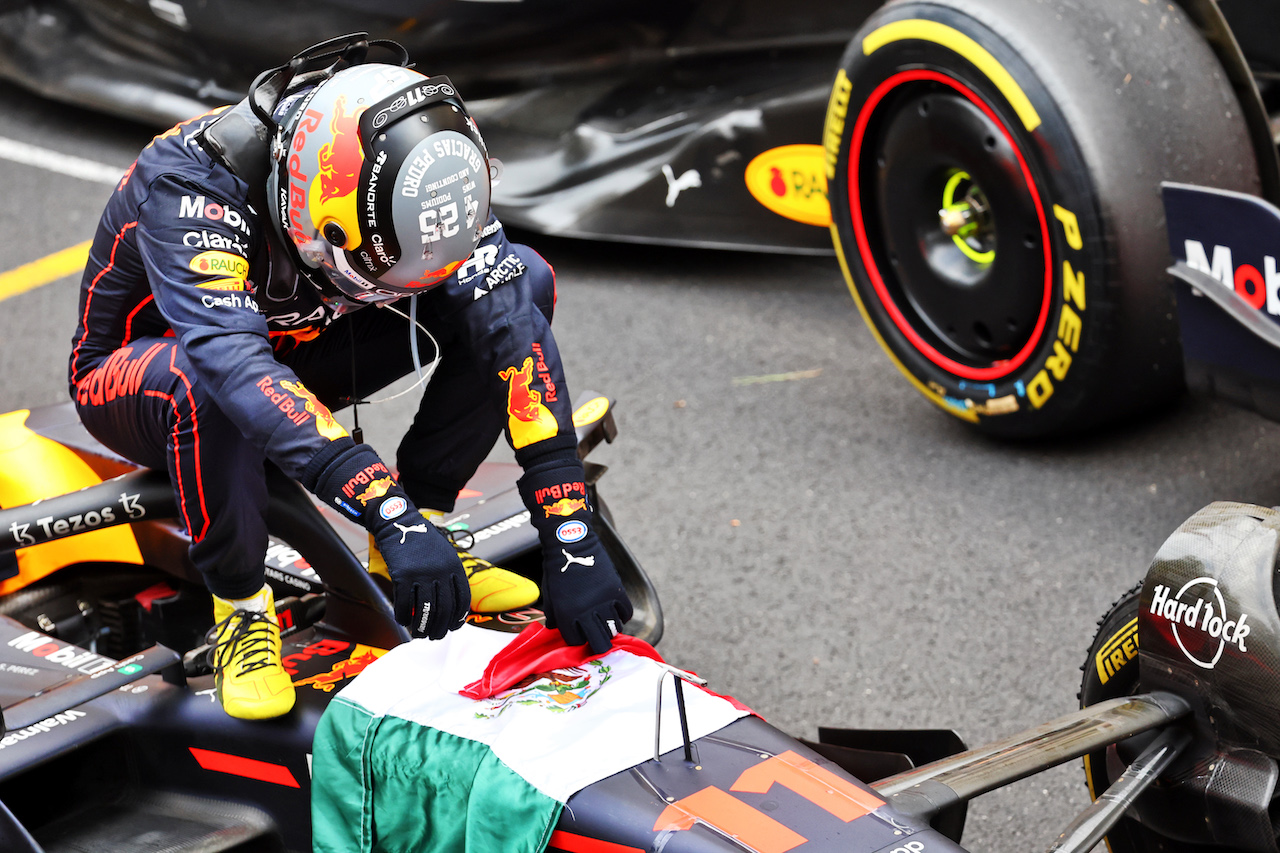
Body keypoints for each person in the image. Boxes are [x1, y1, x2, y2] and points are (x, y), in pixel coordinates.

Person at [66, 34, 633, 720]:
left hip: (295, 341)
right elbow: (235, 366)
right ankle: (241, 609)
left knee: (523, 281)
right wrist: (379, 503)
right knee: (205, 380)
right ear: (310, 212)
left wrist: (567, 528)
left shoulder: (430, 159)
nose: (389, 291)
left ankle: (427, 523)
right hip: (145, 375)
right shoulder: (190, 185)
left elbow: (509, 314)